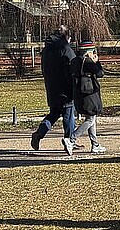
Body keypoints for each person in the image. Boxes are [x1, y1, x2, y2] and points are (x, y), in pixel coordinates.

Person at [30, 25, 79, 155]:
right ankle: (70, 140)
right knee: (68, 113)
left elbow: (43, 69)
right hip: (65, 88)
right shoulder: (65, 49)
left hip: (51, 87)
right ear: (66, 36)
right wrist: (73, 84)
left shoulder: (47, 49)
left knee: (54, 113)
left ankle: (39, 133)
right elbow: (72, 67)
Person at [71, 41, 107, 154]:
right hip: (89, 93)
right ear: (88, 52)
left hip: (78, 92)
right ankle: (72, 139)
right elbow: (100, 73)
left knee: (91, 118)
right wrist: (97, 62)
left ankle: (95, 144)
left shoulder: (75, 61)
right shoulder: (87, 62)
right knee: (90, 118)